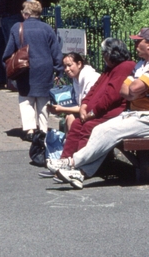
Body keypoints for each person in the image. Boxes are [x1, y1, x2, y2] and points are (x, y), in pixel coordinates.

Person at [53, 27, 149, 189]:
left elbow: (132, 90)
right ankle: (79, 173)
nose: (134, 44)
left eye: (138, 41)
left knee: (108, 132)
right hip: (136, 115)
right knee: (100, 130)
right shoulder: (141, 65)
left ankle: (70, 163)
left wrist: (134, 91)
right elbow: (124, 90)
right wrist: (135, 91)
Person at [41, 38, 134, 180]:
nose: (103, 57)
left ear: (111, 54)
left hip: (113, 111)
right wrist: (85, 104)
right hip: (99, 111)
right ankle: (64, 162)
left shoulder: (124, 67)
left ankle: (78, 166)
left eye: (104, 54)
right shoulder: (110, 68)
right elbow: (96, 88)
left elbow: (112, 95)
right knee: (77, 124)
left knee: (88, 126)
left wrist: (93, 112)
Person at [1, 0, 63, 141]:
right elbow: (56, 52)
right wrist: (58, 70)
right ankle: (43, 129)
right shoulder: (47, 29)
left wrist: (9, 69)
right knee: (43, 100)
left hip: (25, 69)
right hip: (45, 69)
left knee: (26, 99)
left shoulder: (17, 28)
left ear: (26, 14)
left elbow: (8, 53)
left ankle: (29, 130)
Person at [49, 52, 100, 131]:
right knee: (69, 117)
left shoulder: (90, 78)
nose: (67, 69)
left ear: (79, 64)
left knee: (71, 118)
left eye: (69, 65)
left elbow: (86, 107)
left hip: (95, 113)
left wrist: (62, 109)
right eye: (65, 66)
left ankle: (72, 142)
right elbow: (79, 104)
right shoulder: (76, 78)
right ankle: (69, 142)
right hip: (85, 112)